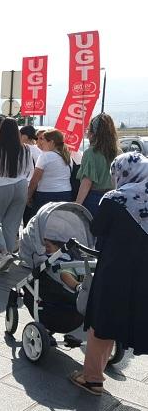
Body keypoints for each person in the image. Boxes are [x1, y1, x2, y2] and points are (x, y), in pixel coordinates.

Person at [71, 152, 148, 395]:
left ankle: (92, 378)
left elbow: (97, 228)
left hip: (117, 271)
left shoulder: (115, 199)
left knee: (103, 320)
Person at [0, 118, 34, 273]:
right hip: (21, 186)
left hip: (0, 186)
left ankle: (4, 253)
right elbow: (29, 170)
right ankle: (7, 257)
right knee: (11, 224)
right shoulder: (26, 149)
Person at [75, 113, 120, 218]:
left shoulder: (90, 153)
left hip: (95, 199)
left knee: (92, 232)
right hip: (115, 198)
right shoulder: (118, 153)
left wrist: (77, 205)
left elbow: (87, 182)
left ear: (93, 132)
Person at [27, 129, 73, 211]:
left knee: (41, 222)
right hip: (66, 193)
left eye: (43, 140)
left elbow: (35, 180)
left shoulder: (45, 156)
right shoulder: (67, 156)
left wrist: (28, 196)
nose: (40, 142)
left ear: (51, 142)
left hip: (47, 195)